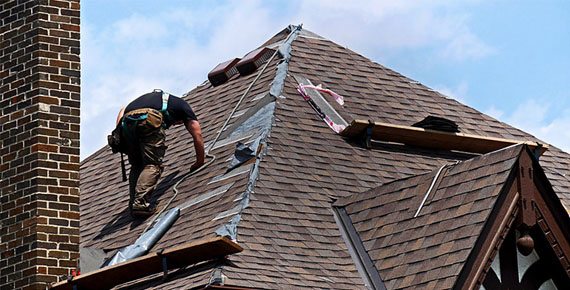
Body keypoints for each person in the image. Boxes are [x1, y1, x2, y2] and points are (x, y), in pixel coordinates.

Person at [116, 89, 205, 217]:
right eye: (178, 123)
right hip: (146, 119)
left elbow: (122, 110)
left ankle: (133, 205)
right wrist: (200, 161)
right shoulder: (184, 107)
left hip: (126, 123)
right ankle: (140, 203)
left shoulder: (156, 100)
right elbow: (197, 134)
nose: (174, 125)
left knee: (137, 165)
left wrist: (121, 133)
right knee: (152, 164)